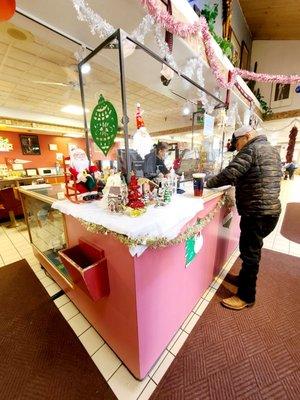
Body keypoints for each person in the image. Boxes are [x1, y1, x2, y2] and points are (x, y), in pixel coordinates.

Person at [206, 125, 282, 310]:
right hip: (270, 211)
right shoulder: (271, 149)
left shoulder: (251, 149)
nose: (238, 147)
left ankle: (246, 296)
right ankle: (243, 279)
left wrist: (208, 182)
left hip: (257, 212)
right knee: (250, 250)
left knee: (250, 254)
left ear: (246, 136)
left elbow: (230, 173)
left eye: (238, 143)